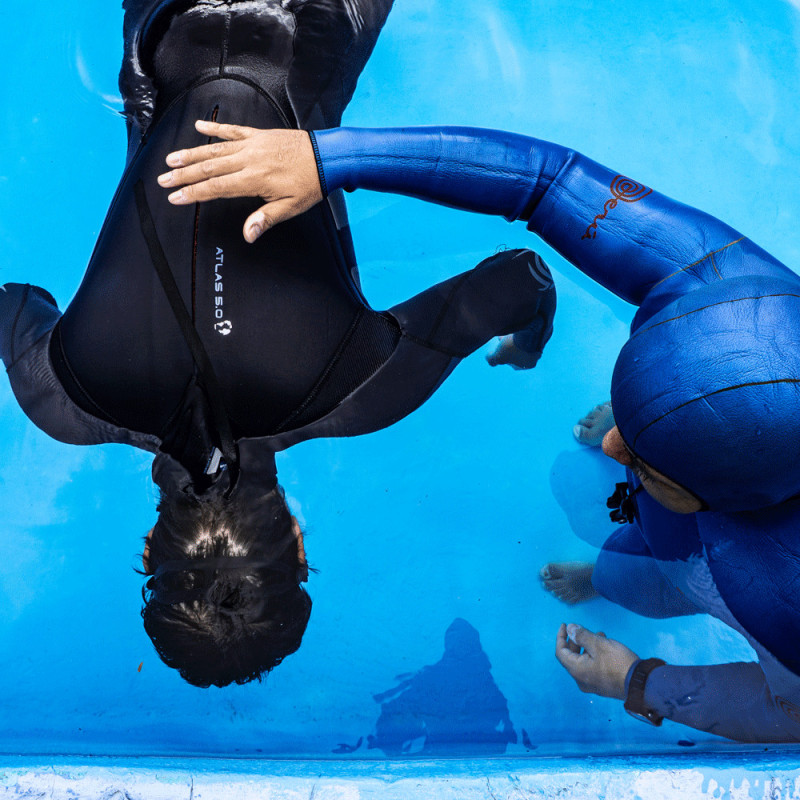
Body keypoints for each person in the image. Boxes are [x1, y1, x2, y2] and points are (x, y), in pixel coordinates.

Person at [158, 122, 800, 740]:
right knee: (647, 459)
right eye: (630, 421)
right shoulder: (726, 283)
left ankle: (625, 540)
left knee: (632, 580)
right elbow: (545, 181)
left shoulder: (780, 607)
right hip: (715, 456)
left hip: (711, 566)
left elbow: (788, 714)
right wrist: (328, 158)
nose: (612, 448)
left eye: (642, 457)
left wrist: (637, 682)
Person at [0, 3, 557, 688]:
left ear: (296, 541)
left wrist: (528, 339)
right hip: (165, 31)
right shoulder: (63, 398)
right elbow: (16, 300)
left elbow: (519, 279)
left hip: (308, 31)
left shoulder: (362, 392)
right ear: (150, 549)